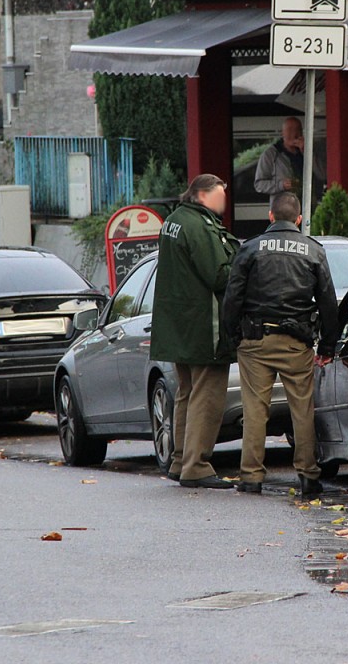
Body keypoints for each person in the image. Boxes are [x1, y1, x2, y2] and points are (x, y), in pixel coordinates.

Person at [222, 191, 339, 497]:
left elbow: (232, 298)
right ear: (298, 219)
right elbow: (328, 301)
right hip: (296, 343)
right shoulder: (313, 250)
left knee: (255, 410)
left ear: (270, 216)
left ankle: (251, 477)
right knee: (302, 409)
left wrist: (232, 337)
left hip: (255, 342)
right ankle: (309, 476)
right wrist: (328, 345)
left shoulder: (249, 249)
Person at [150, 173, 240, 489]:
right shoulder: (200, 226)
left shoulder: (174, 220)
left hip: (180, 327)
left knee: (187, 393)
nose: (223, 200)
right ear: (202, 195)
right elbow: (218, 274)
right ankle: (197, 465)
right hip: (204, 326)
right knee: (208, 396)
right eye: (219, 193)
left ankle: (180, 461)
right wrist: (243, 264)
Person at [254, 116, 326, 199]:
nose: (294, 134)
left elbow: (322, 174)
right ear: (283, 133)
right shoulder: (271, 154)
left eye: (297, 130)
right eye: (290, 130)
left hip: (309, 204)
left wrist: (307, 152)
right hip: (283, 207)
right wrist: (281, 185)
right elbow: (259, 184)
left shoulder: (310, 149)